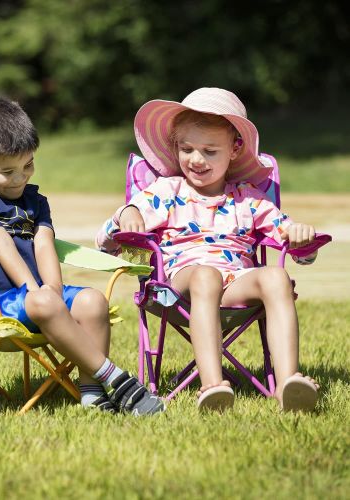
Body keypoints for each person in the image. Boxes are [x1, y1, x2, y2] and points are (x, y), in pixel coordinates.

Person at [96, 87, 319, 412]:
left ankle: (289, 383)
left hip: (235, 283)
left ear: (234, 150)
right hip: (183, 285)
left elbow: (296, 245)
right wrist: (126, 214)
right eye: (187, 149)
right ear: (175, 148)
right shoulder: (166, 191)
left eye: (210, 151)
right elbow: (107, 239)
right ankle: (213, 386)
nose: (196, 159)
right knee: (206, 276)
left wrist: (300, 238)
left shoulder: (248, 198)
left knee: (275, 276)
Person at [0, 98, 165, 416]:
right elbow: (1, 245)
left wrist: (51, 287)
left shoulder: (36, 201)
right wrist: (39, 293)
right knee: (44, 301)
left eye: (28, 165)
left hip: (34, 301)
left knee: (93, 301)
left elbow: (44, 245)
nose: (19, 178)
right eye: (6, 171)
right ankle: (116, 379)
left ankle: (92, 393)